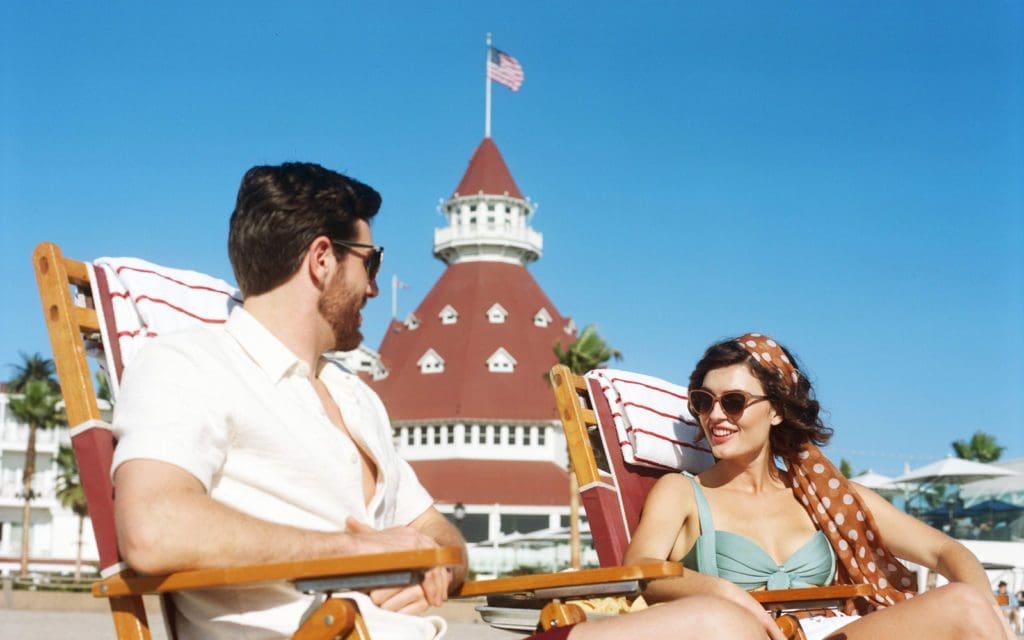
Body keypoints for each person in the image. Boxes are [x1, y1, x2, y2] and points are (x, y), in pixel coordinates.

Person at [112, 162, 766, 640]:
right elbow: (152, 530)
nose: (375, 286)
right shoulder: (189, 365)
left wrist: (430, 565)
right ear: (321, 261)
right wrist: (355, 556)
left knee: (716, 623)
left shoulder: (353, 396)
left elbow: (443, 538)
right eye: (370, 261)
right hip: (321, 633)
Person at [624, 333, 1015, 640]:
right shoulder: (683, 492)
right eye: (703, 401)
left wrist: (989, 605)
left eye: (734, 402)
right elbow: (639, 571)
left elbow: (945, 549)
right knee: (964, 608)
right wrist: (722, 593)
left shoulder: (823, 496)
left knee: (967, 604)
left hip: (832, 632)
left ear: (776, 410)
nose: (715, 416)